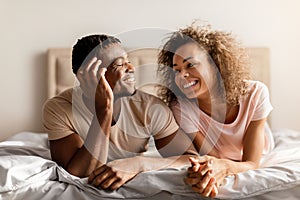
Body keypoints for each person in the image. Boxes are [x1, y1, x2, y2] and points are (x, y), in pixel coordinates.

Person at [42, 34, 197, 191]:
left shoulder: (150, 108)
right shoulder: (60, 108)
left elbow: (190, 159)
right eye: (119, 64)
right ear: (89, 74)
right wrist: (104, 110)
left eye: (128, 61)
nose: (131, 68)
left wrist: (139, 164)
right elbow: (78, 174)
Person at [157, 22, 274, 197]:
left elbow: (251, 163)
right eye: (177, 70)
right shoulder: (182, 108)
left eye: (190, 65)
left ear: (215, 64)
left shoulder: (256, 93)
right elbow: (214, 159)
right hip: (221, 155)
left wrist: (225, 168)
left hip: (264, 148)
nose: (182, 76)